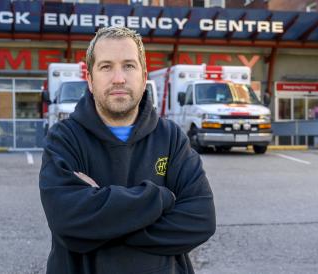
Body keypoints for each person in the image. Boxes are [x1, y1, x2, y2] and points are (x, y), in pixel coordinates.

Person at [39, 26, 216, 274]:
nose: (119, 78)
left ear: (144, 77)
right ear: (90, 79)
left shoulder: (171, 138)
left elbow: (201, 220)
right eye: (106, 66)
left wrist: (100, 220)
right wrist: (163, 198)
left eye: (129, 66)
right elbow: (66, 221)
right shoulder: (65, 138)